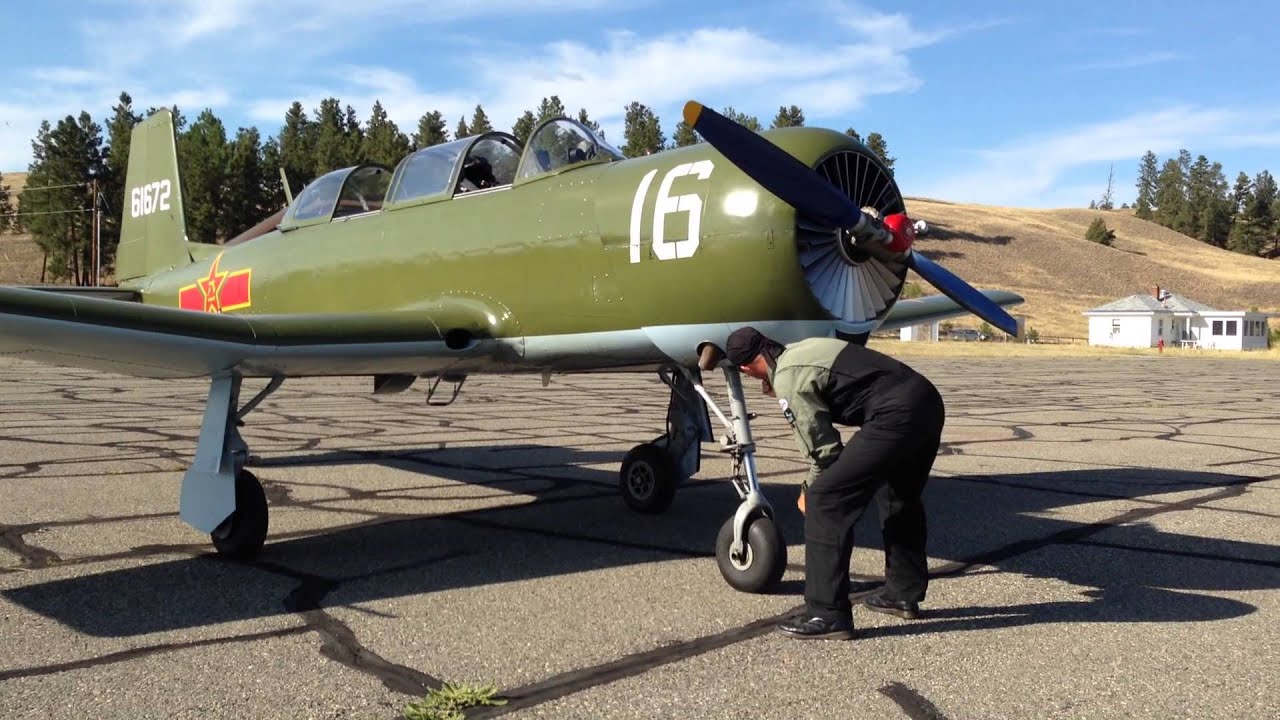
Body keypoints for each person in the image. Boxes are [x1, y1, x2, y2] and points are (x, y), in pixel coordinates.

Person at [724, 327, 946, 640]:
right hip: (927, 401)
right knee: (897, 494)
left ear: (746, 368)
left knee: (825, 500)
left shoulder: (787, 376)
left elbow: (824, 453)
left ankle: (827, 613)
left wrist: (807, 492)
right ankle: (902, 593)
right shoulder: (806, 346)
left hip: (895, 413)